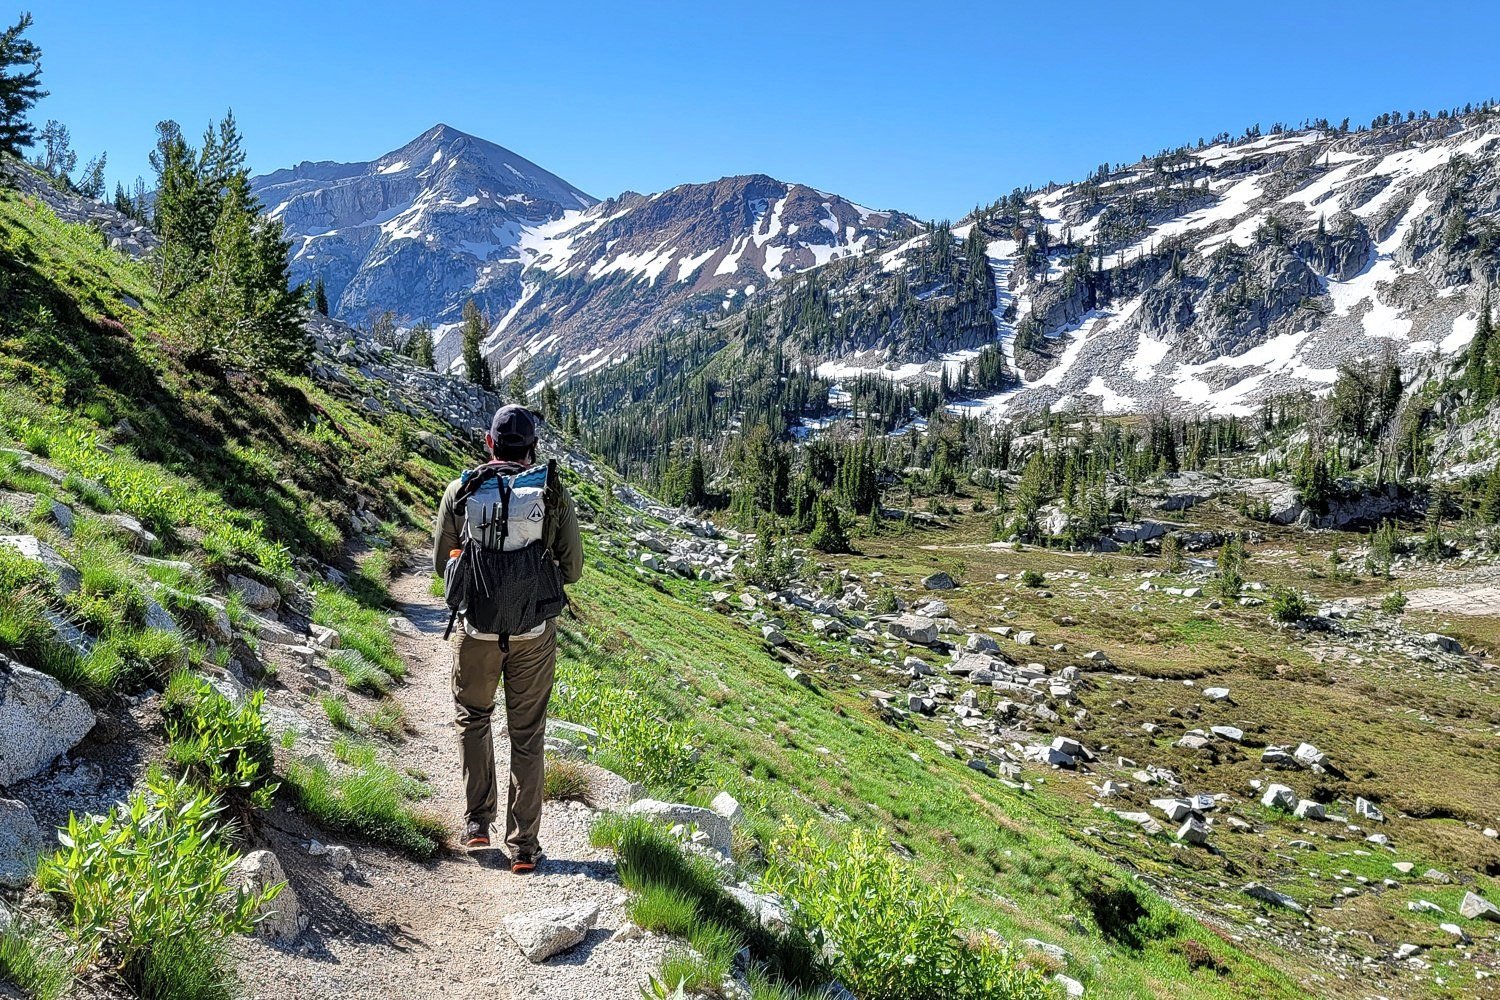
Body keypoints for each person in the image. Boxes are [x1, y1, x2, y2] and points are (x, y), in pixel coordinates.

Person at [432, 404, 582, 867]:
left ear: (489, 442)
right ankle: (523, 846)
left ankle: (478, 823)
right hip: (533, 633)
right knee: (527, 733)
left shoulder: (462, 489)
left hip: (476, 629)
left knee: (473, 717)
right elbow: (572, 569)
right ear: (532, 448)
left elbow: (442, 564)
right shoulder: (549, 490)